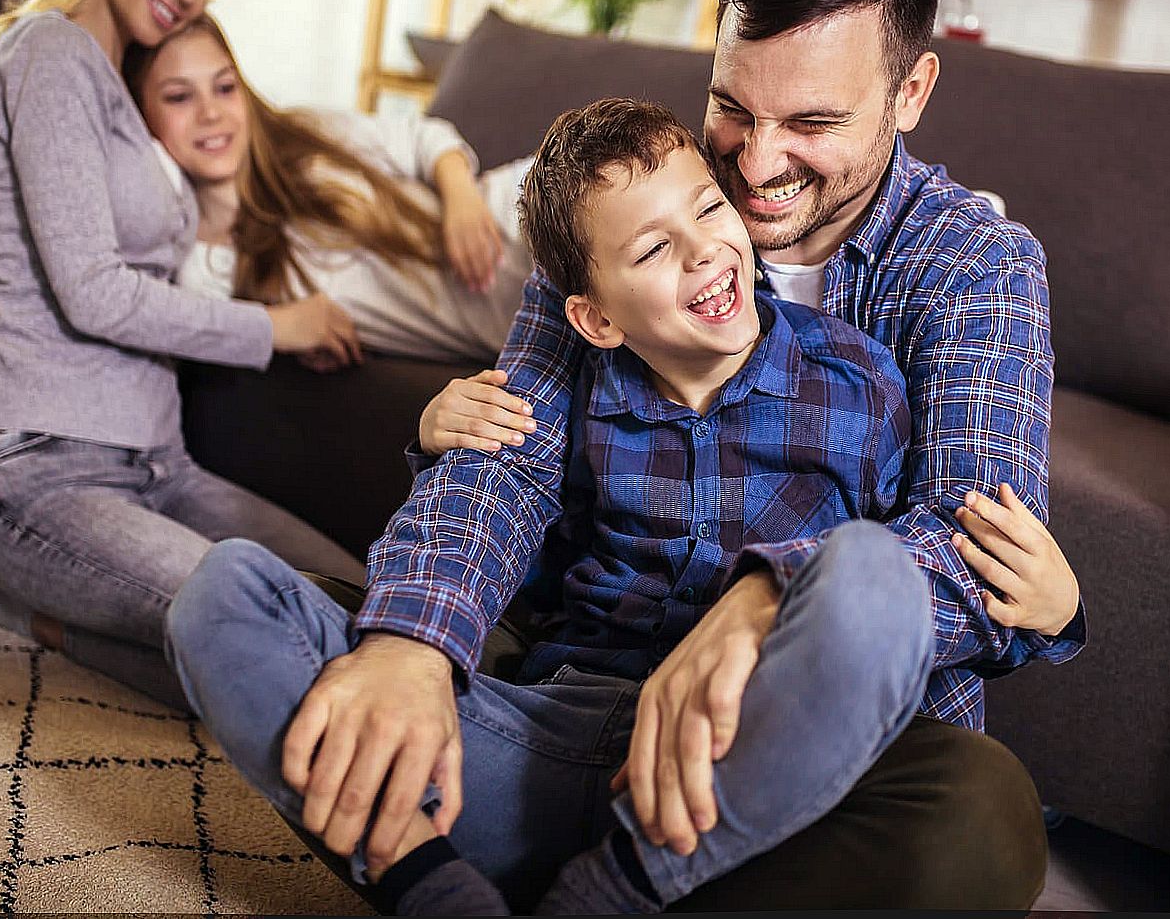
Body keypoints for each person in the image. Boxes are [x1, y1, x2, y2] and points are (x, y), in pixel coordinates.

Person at [169, 97, 1074, 914]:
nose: (703, 250)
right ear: (596, 316)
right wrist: (412, 636)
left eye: (709, 210)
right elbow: (495, 498)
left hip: (743, 763)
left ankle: (614, 888)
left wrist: (1049, 615)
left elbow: (906, 595)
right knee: (223, 597)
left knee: (893, 613)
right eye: (651, 250)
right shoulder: (577, 372)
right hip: (557, 736)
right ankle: (434, 887)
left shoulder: (860, 376)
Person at [0, 0, 367, 712]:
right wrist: (276, 327)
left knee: (365, 605)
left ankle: (75, 626)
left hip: (160, 463)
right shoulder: (45, 52)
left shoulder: (126, 83)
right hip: (39, 470)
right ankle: (58, 618)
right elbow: (92, 289)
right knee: (291, 636)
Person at [125, 15, 535, 364]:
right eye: (179, 97)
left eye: (225, 87)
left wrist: (461, 199)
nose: (210, 112)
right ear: (141, 118)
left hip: (522, 208)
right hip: (515, 320)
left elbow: (421, 137)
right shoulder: (204, 271)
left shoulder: (303, 135)